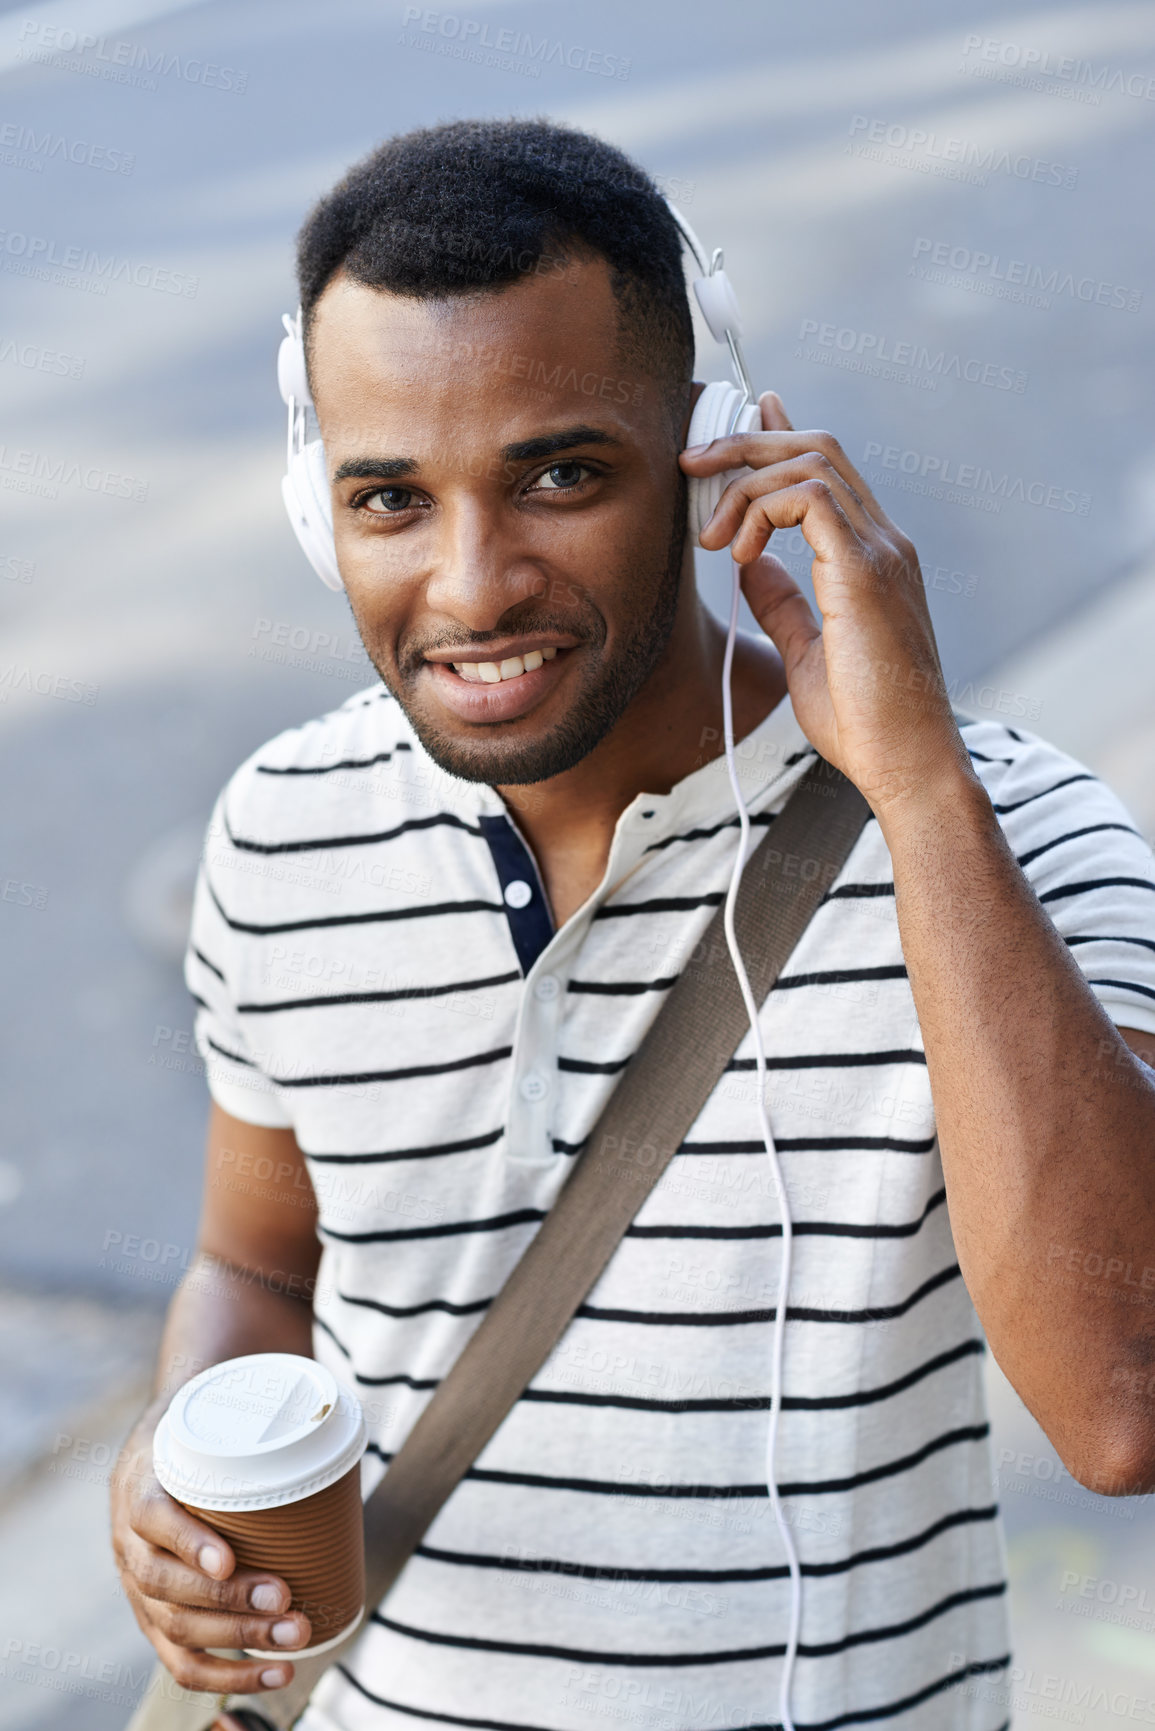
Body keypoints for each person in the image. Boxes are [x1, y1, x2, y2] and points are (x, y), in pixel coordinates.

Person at [110, 117, 1155, 1731]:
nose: (470, 587)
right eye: (391, 498)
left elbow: (1122, 1409)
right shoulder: (283, 833)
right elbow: (256, 1262)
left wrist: (922, 792)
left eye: (559, 474)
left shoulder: (1010, 837)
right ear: (321, 506)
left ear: (714, 449)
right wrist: (183, 1459)